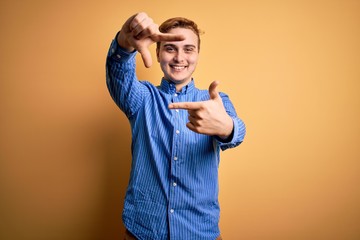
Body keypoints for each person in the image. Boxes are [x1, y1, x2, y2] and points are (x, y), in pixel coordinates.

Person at [106, 12, 246, 240]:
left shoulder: (214, 101)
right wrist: (124, 43)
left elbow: (237, 131)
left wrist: (227, 127)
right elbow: (118, 73)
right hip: (143, 232)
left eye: (188, 49)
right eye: (170, 48)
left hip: (201, 232)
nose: (179, 57)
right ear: (158, 53)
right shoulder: (141, 98)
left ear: (197, 55)